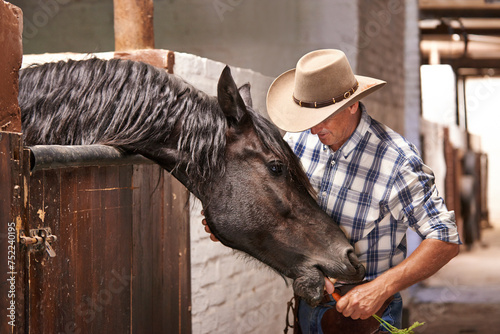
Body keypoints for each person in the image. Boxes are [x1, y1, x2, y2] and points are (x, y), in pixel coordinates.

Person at [204, 49, 461, 333]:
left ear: (353, 104)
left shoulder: (396, 160)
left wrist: (382, 287)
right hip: (307, 308)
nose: (314, 129)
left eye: (324, 116)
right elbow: (283, 213)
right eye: (308, 116)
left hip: (368, 318)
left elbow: (445, 239)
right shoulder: (299, 142)